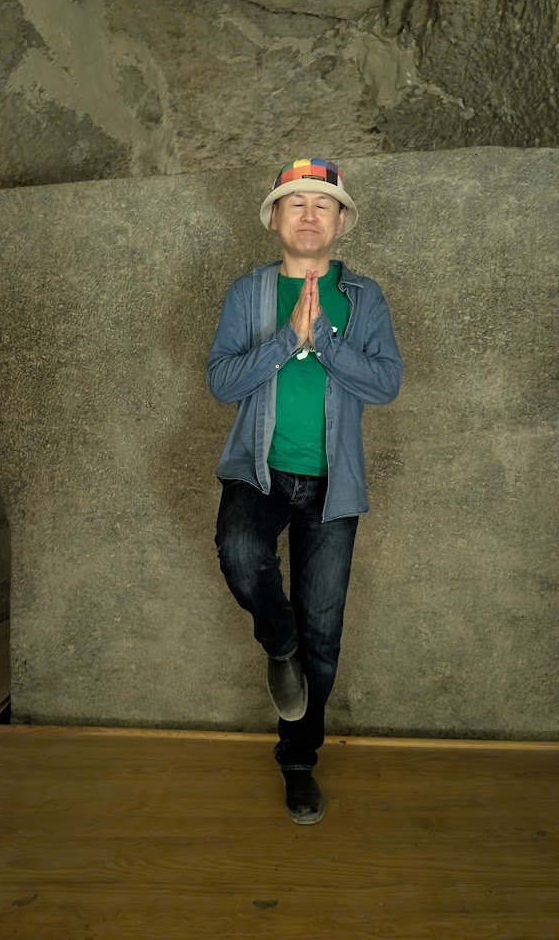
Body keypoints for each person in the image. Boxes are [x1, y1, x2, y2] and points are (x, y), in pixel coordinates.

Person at [207, 158, 403, 824]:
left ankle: (299, 762)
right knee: (238, 550)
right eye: (297, 204)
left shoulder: (365, 298)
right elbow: (222, 381)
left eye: (324, 204)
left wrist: (320, 338)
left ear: (341, 221)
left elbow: (384, 382)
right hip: (258, 471)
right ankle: (278, 644)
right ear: (275, 219)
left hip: (332, 485)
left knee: (325, 629)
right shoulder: (249, 293)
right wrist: (283, 340)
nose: (310, 214)